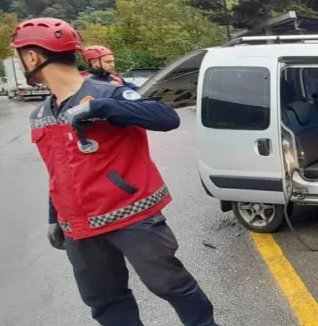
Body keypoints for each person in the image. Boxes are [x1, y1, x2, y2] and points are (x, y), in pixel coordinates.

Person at [13, 17, 218, 326]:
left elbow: (165, 117)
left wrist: (101, 109)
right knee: (106, 303)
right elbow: (57, 173)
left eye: (21, 56)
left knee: (173, 287)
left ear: (32, 57)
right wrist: (55, 218)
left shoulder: (108, 94)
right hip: (79, 229)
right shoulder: (41, 114)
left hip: (132, 218)